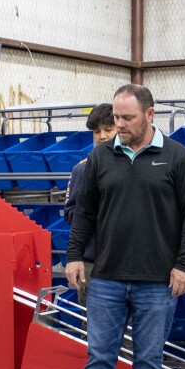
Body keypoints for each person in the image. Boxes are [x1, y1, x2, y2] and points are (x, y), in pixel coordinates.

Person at [62, 84, 185, 369]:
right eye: (116, 117)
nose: (119, 124)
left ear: (150, 114)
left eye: (127, 118)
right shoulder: (100, 158)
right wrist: (74, 255)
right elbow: (84, 213)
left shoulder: (177, 157)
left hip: (157, 280)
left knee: (148, 357)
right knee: (100, 355)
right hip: (106, 276)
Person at [62, 103, 116, 302]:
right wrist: (98, 212)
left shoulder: (136, 168)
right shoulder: (82, 170)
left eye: (108, 130)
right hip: (92, 263)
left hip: (129, 265)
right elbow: (70, 213)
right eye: (96, 131)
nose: (102, 136)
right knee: (92, 327)